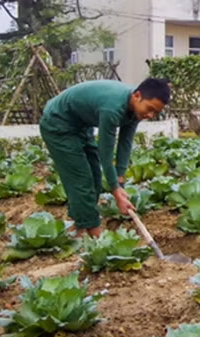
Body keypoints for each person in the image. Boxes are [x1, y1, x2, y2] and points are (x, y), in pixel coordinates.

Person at [39, 78, 170, 237]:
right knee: (81, 180)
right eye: (150, 109)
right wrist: (115, 192)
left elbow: (124, 145)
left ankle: (80, 226)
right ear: (137, 96)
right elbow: (105, 154)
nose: (150, 115)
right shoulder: (112, 108)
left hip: (80, 124)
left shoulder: (135, 110)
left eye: (156, 112)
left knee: (95, 176)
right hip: (57, 122)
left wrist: (120, 183)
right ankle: (96, 237)